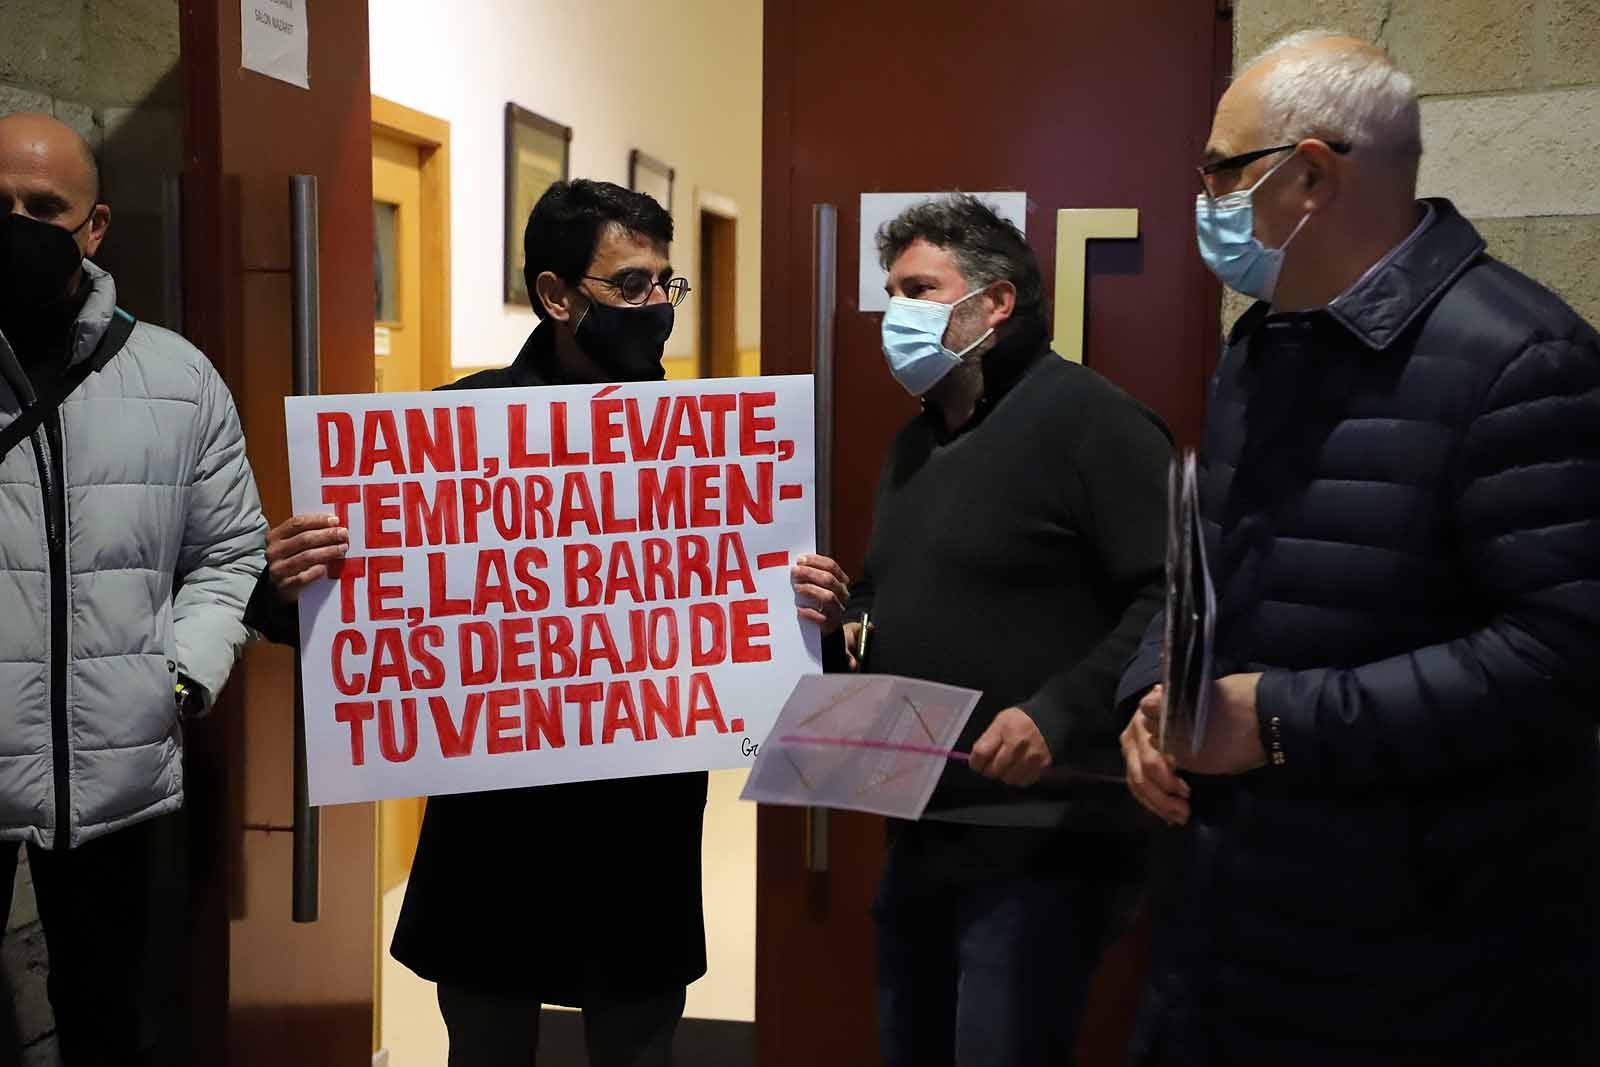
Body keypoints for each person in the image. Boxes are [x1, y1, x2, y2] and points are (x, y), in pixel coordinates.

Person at [248, 178, 850, 1067]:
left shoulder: (713, 442)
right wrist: (287, 579)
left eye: (665, 284)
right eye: (630, 285)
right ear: (557, 294)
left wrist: (817, 614)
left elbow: (773, 643)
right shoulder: (455, 430)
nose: (656, 306)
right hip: (496, 844)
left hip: (637, 842)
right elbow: (350, 625)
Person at [1118, 32, 1600, 1066]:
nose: (1202, 197)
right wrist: (1145, 698)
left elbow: (1561, 656)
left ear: (1309, 175)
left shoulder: (1524, 357)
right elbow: (1205, 567)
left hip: (1421, 964)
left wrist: (1281, 721)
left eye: (1218, 171)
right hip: (1228, 930)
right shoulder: (1262, 342)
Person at [841, 194, 1170, 1067]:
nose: (894, 314)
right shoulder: (915, 443)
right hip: (920, 818)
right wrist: (851, 616)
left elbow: (1170, 597)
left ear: (995, 303)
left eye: (918, 289)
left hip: (1042, 836)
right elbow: (888, 585)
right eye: (890, 292)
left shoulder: (1094, 421)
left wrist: (1054, 713)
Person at [0, 112, 267, 1064]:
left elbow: (230, 553)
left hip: (117, 774)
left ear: (96, 225)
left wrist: (179, 677)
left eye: (45, 207)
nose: (19, 224)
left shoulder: (178, 378)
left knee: (110, 1025)